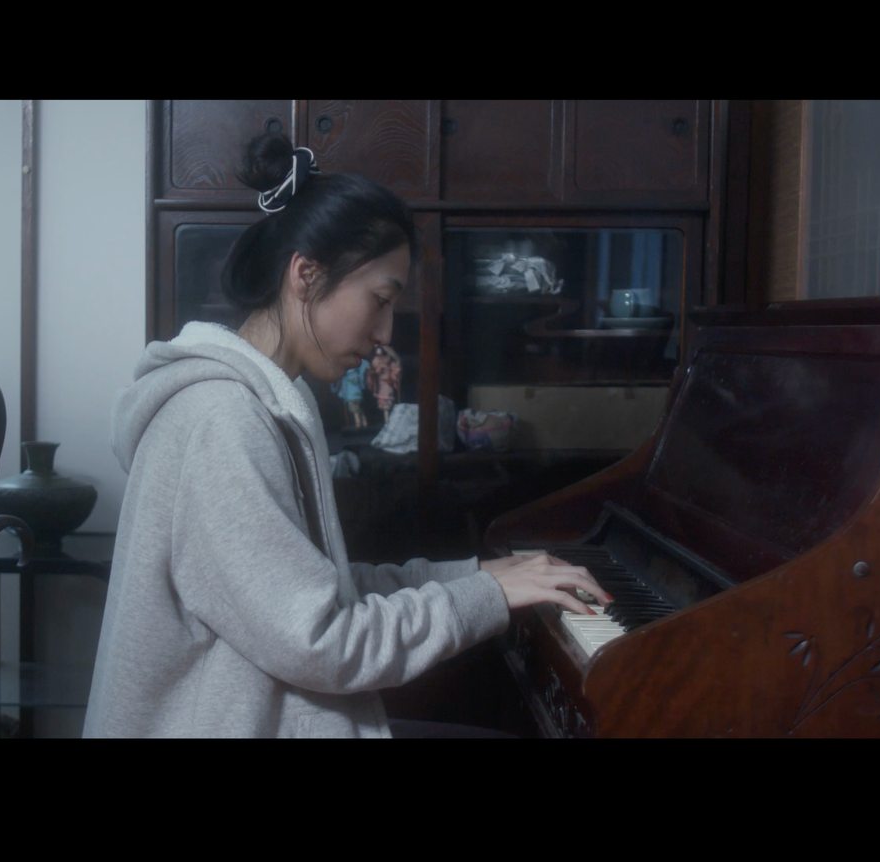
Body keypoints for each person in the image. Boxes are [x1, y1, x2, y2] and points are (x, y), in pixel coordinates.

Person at [83, 135, 610, 738]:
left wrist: (480, 575)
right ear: (306, 275)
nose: (385, 332)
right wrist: (489, 594)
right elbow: (325, 642)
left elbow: (322, 592)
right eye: (380, 300)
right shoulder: (220, 421)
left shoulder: (259, 403)